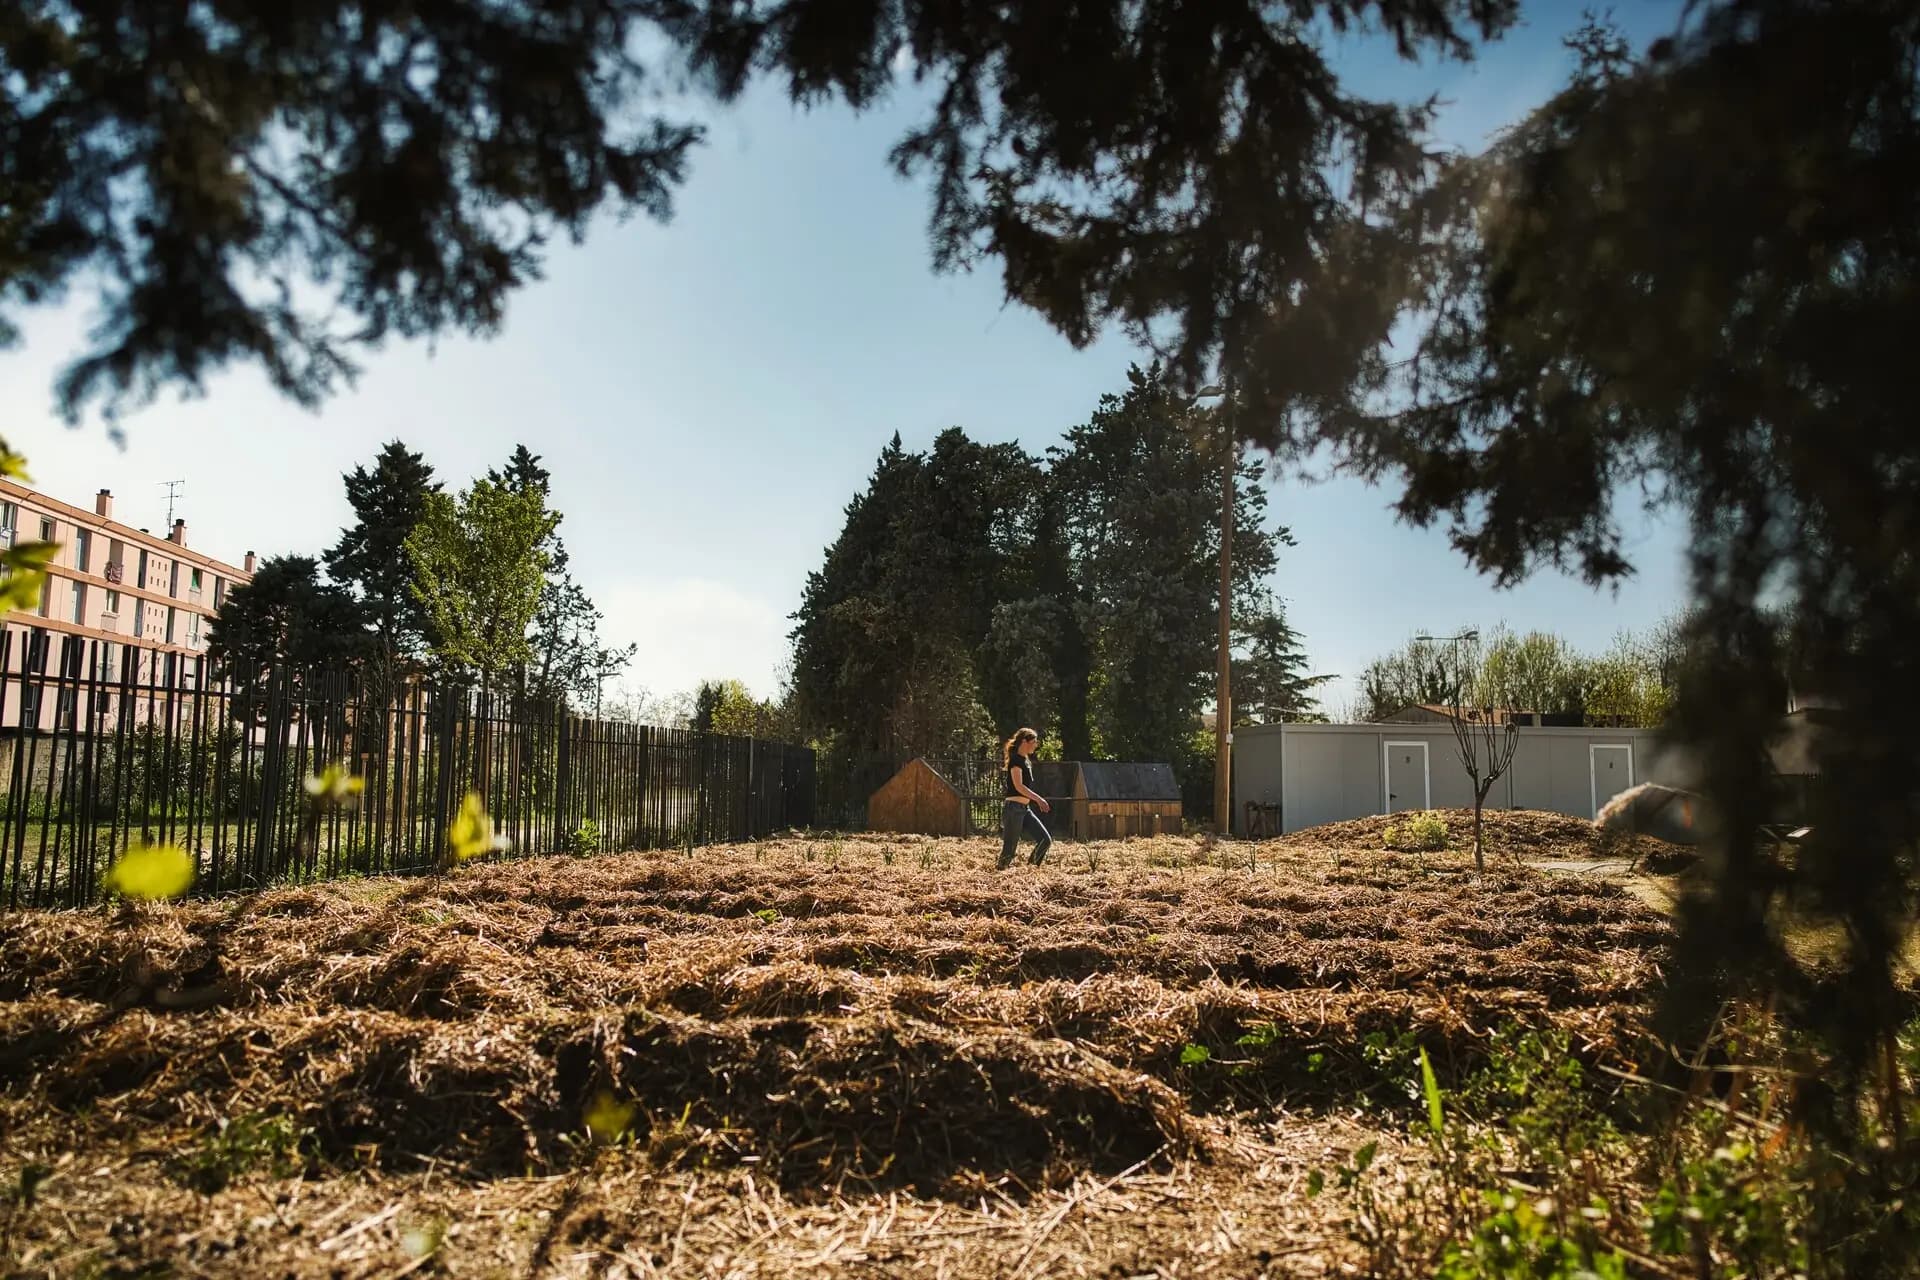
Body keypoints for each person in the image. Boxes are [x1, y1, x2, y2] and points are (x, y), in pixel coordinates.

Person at [998, 727, 1053, 869]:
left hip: (1024, 809)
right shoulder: (1016, 761)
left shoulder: (1025, 761)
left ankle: (1030, 870)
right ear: (1024, 741)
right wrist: (1039, 799)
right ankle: (1000, 875)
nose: (1036, 745)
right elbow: (1019, 786)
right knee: (1009, 850)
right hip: (1013, 809)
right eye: (1034, 741)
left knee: (1045, 840)